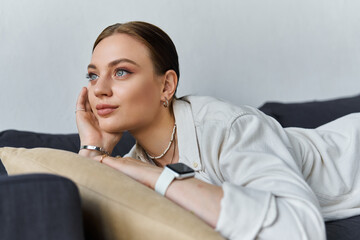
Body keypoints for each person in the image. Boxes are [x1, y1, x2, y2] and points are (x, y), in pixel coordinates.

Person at [76, 21, 360, 240]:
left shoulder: (229, 127)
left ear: (166, 86)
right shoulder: (135, 162)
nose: (99, 89)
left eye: (121, 71)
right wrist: (93, 149)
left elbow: (300, 230)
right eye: (93, 75)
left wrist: (159, 178)